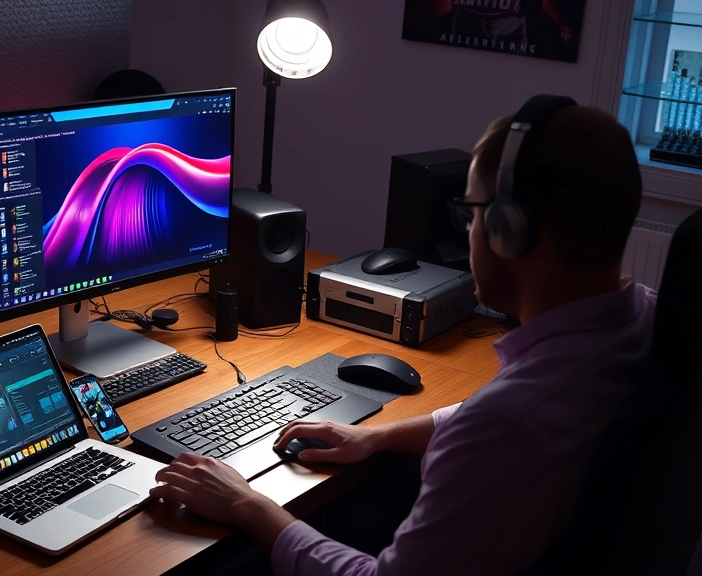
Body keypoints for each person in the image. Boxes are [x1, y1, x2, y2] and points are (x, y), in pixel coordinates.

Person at [150, 102, 661, 574]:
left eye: (472, 212)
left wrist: (249, 506)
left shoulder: (511, 422)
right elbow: (482, 419)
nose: (468, 230)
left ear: (509, 230)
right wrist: (374, 435)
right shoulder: (646, 317)